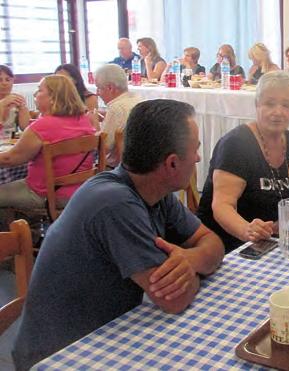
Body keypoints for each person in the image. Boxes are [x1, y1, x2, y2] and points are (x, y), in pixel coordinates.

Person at [12, 99, 225, 370]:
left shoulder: (152, 190)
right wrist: (196, 266)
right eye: (195, 150)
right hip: (61, 356)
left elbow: (213, 242)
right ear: (171, 164)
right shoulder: (115, 203)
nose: (197, 158)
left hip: (109, 335)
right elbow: (174, 299)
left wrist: (190, 260)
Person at [196, 71, 289, 252]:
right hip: (231, 246)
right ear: (256, 104)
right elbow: (221, 206)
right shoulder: (236, 144)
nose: (278, 112)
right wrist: (248, 230)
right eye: (269, 104)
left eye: (286, 105)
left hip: (274, 241)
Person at [0, 75, 95, 231]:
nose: (35, 95)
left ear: (53, 97)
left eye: (39, 90)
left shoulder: (44, 125)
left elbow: (9, 158)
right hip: (81, 189)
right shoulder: (83, 119)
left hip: (46, 194)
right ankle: (32, 232)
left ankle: (16, 243)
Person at [92, 64, 142, 167]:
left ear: (110, 88)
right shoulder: (137, 99)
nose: (97, 93)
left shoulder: (116, 107)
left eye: (99, 88)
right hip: (139, 164)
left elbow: (104, 147)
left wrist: (94, 124)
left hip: (117, 169)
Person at [0, 64, 30, 132]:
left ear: (12, 81)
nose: (4, 83)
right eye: (0, 80)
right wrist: (2, 105)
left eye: (8, 80)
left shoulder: (16, 100)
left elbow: (26, 129)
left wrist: (23, 108)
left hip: (12, 140)